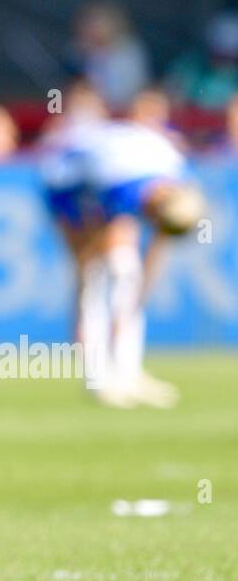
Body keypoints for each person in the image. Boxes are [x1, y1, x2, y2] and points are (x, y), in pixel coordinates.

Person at [40, 92, 205, 408]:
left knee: (127, 272)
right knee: (95, 274)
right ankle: (97, 378)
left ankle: (128, 371)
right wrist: (88, 267)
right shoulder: (116, 182)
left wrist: (139, 296)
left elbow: (157, 249)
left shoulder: (175, 176)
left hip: (97, 174)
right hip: (65, 186)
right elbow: (96, 235)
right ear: (154, 209)